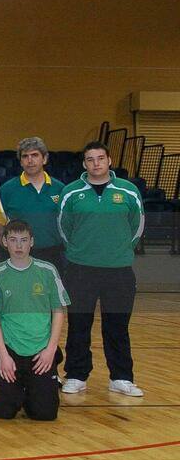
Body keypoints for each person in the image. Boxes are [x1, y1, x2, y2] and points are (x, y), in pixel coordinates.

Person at [58, 141, 145, 397]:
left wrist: (119, 251)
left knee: (117, 326)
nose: (96, 163)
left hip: (119, 270)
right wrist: (81, 250)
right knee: (78, 324)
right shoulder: (71, 192)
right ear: (84, 164)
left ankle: (121, 377)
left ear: (109, 161)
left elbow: (137, 226)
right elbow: (63, 227)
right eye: (90, 159)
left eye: (100, 158)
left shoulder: (128, 191)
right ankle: (76, 375)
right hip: (80, 270)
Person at [0, 220, 69, 420]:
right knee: (1, 413)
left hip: (41, 352)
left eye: (24, 240)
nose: (19, 245)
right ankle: (20, 391)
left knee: (45, 414)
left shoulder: (48, 270)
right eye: (13, 240)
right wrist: (3, 355)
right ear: (4, 242)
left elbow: (59, 311)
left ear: (31, 242)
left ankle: (44, 375)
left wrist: (50, 350)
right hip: (10, 351)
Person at [0, 137, 66, 271]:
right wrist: (13, 251)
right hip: (18, 257)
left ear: (44, 159)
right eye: (25, 156)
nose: (30, 160)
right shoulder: (6, 190)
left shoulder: (60, 189)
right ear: (21, 161)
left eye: (35, 155)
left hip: (54, 255)